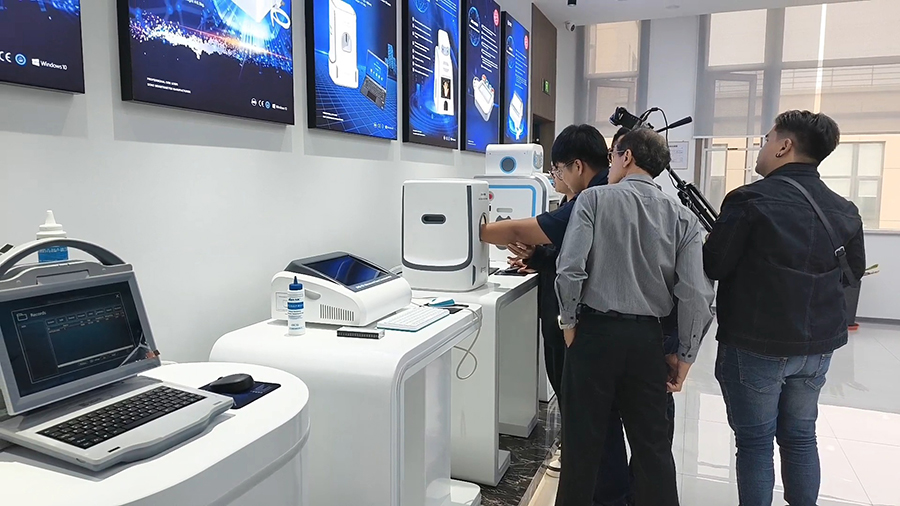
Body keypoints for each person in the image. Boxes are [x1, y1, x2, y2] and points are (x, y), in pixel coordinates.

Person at [703, 110, 866, 506]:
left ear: (784, 146)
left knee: (755, 443)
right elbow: (854, 272)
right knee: (801, 436)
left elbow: (715, 265)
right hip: (817, 347)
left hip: (756, 345)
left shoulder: (748, 199)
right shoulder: (844, 209)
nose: (762, 147)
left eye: (766, 139)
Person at [554, 128, 714, 506]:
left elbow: (570, 270)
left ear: (626, 157)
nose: (609, 165)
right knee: (653, 450)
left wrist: (569, 323)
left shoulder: (593, 200)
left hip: (594, 334)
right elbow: (696, 295)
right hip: (647, 341)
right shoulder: (683, 218)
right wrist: (685, 357)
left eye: (612, 156)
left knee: (581, 448)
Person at [479, 124, 609, 249]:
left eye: (560, 170)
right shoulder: (611, 189)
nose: (560, 177)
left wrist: (477, 230)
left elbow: (517, 232)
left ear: (577, 166)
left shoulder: (589, 200)